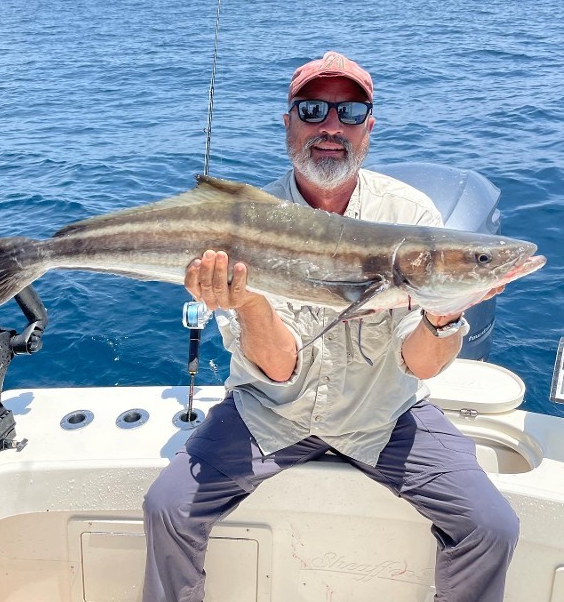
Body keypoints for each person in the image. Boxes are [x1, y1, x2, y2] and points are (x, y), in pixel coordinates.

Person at [142, 51, 518, 602]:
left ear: (370, 125)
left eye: (350, 111)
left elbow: (420, 365)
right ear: (288, 121)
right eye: (313, 110)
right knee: (166, 508)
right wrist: (246, 304)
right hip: (272, 411)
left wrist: (446, 311)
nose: (331, 127)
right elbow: (278, 369)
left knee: (492, 527)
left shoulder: (409, 217)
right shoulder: (247, 216)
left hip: (383, 413)